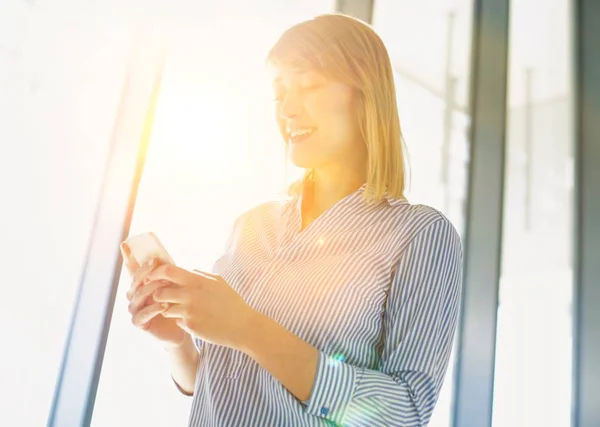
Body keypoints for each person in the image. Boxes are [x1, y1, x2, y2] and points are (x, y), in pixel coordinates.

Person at [121, 13, 463, 427]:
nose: (287, 108)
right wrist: (177, 342)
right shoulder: (251, 225)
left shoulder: (420, 236)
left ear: (364, 93)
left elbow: (406, 413)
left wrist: (248, 329)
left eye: (309, 84)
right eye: (279, 92)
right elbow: (223, 383)